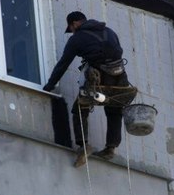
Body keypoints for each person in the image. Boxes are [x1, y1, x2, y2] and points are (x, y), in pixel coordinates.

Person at [43, 11, 136, 166]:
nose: (72, 31)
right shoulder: (110, 31)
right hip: (120, 77)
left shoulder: (77, 39)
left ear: (74, 24)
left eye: (71, 28)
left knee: (80, 108)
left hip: (97, 77)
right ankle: (110, 147)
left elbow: (63, 64)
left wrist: (49, 85)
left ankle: (84, 146)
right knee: (114, 106)